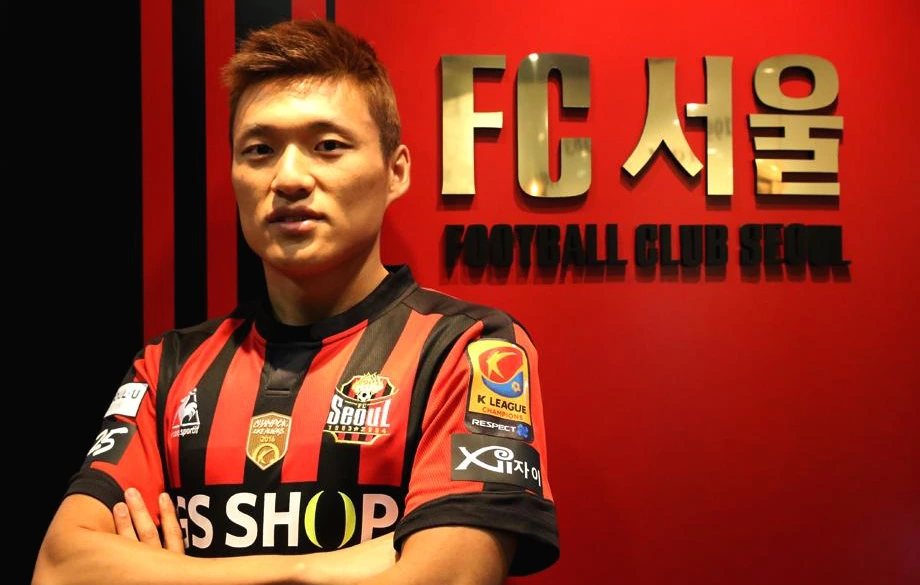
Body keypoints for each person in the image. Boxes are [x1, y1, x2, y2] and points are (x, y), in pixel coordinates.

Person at [33, 18, 558, 585]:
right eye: (259, 150)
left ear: (395, 171)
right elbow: (61, 566)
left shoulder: (470, 350)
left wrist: (173, 573)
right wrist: (321, 568)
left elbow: (448, 577)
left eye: (327, 146)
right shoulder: (167, 367)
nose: (288, 178)